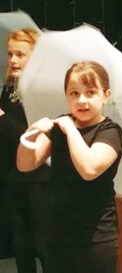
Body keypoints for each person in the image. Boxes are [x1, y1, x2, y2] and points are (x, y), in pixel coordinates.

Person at [16, 61, 122, 273]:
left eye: (90, 92)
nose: (81, 100)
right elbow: (25, 164)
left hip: (96, 236)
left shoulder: (110, 131)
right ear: (66, 95)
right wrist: (30, 134)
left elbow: (89, 169)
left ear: (106, 94)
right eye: (74, 93)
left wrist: (71, 129)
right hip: (57, 232)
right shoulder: (60, 126)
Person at [0, 29, 50, 273]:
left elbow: (32, 136)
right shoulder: (9, 85)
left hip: (38, 176)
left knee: (43, 241)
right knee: (20, 242)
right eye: (10, 54)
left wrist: (0, 118)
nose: (13, 60)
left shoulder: (43, 89)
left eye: (20, 54)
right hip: (9, 173)